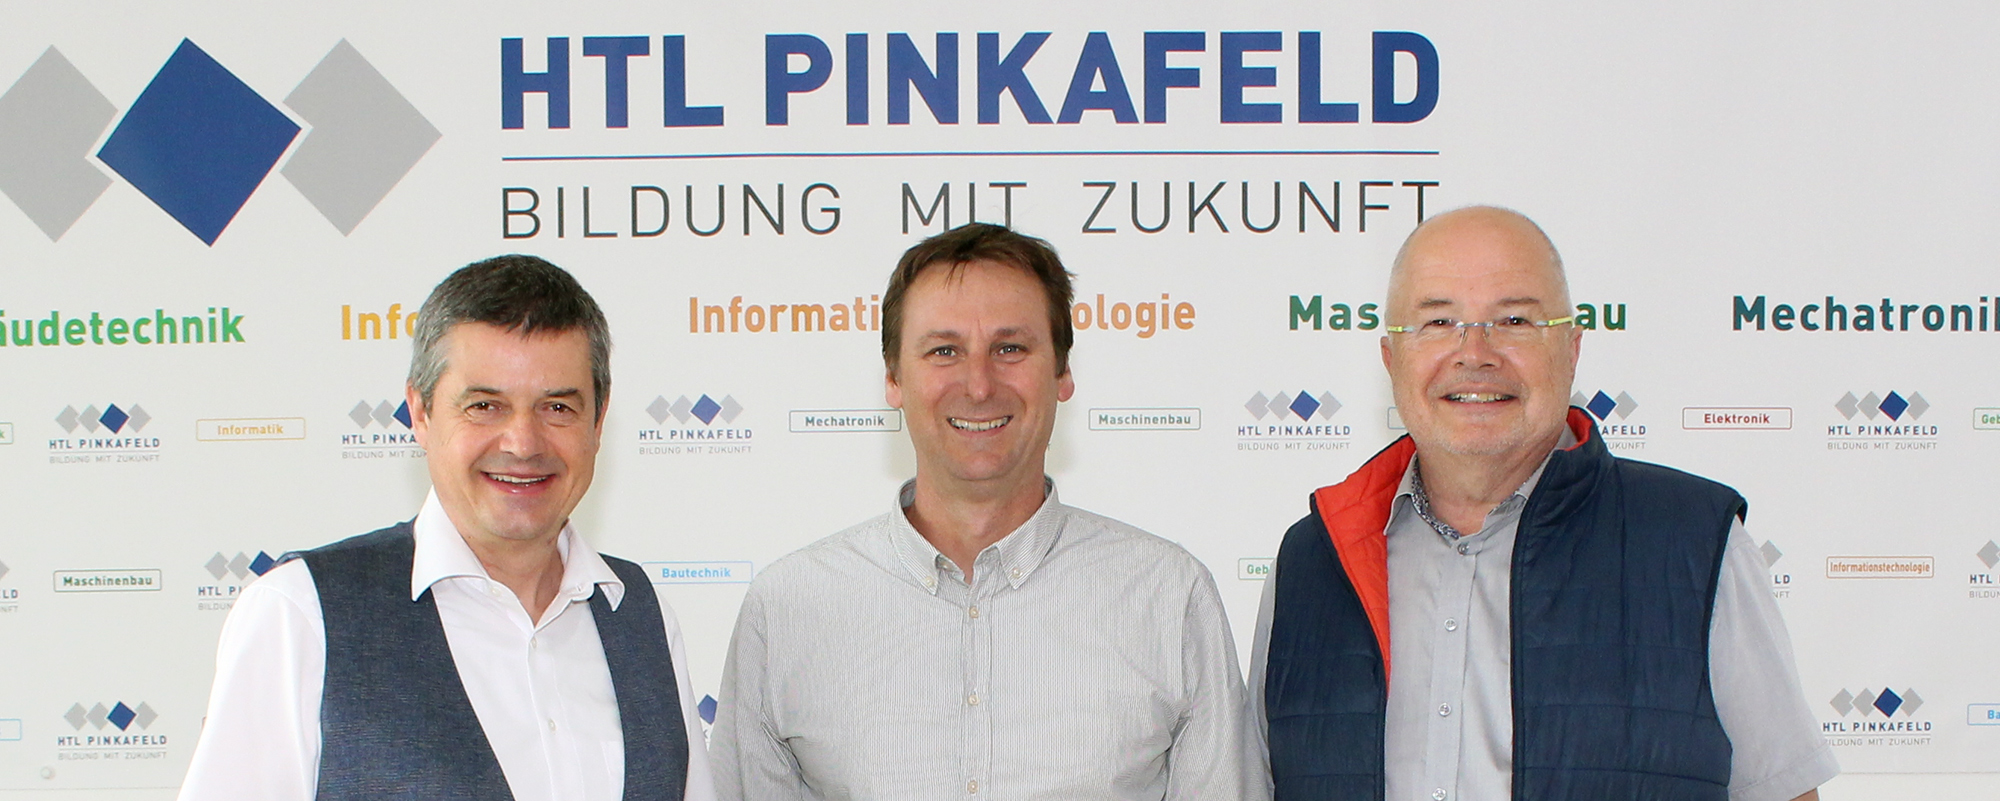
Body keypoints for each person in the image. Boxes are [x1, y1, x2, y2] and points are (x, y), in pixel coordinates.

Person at [1250, 206, 1836, 801]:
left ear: (1571, 348)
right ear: (1391, 357)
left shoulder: (1695, 544)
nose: (1474, 352)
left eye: (1514, 320)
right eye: (1438, 322)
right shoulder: (1314, 560)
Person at [708, 223, 1261, 800]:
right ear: (893, 378)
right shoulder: (787, 610)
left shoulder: (1169, 597)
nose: (978, 385)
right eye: (944, 351)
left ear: (1063, 372)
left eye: (1010, 348)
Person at [179, 255, 714, 801]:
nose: (523, 443)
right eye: (485, 406)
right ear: (421, 412)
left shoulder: (641, 618)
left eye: (557, 407)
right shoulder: (300, 614)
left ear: (598, 422)